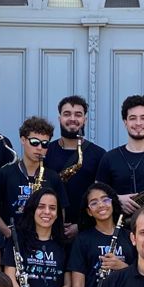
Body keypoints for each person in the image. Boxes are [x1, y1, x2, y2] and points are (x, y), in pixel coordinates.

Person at [0, 115, 62, 237]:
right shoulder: (5, 173)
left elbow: (60, 212)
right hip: (12, 241)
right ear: (23, 140)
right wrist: (8, 233)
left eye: (45, 144)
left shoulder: (53, 177)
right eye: (34, 142)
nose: (39, 148)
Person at [43, 94, 104, 231]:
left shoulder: (99, 154)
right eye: (67, 114)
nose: (72, 119)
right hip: (50, 226)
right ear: (59, 118)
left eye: (78, 115)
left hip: (88, 229)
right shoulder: (45, 151)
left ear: (85, 119)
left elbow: (102, 197)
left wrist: (81, 225)